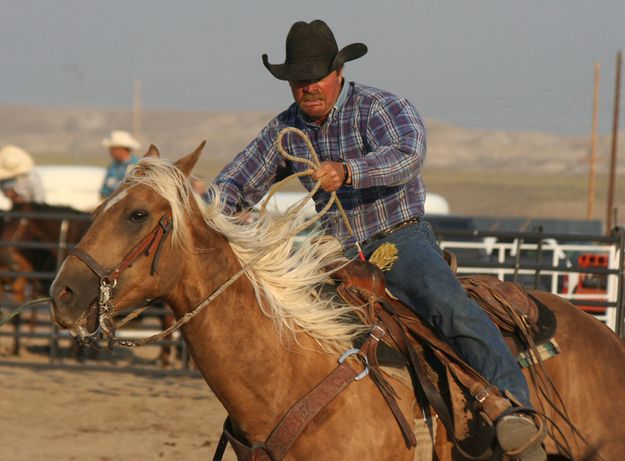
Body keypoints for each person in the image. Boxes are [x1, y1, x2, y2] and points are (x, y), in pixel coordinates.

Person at [213, 20, 545, 460]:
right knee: (281, 327)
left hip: (397, 239)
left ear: (338, 72)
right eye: (299, 80)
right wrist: (212, 206)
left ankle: (514, 408)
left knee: (445, 304)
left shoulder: (378, 107)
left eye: (315, 77)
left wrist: (348, 170)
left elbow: (407, 155)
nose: (308, 87)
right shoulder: (286, 130)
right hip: (333, 253)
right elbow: (239, 178)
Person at [100, 130, 140, 199]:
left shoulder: (136, 166)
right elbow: (104, 190)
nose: (110, 152)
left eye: (112, 149)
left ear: (121, 149)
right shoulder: (113, 165)